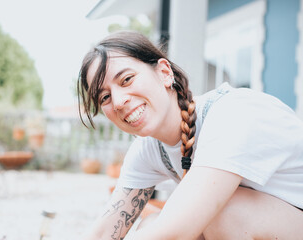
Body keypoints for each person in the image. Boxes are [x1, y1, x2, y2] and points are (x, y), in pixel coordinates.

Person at [77, 31, 303, 240]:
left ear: (164, 73)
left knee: (223, 213)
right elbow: (104, 232)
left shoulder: (231, 113)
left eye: (126, 79)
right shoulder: (148, 149)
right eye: (104, 97)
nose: (118, 101)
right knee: (152, 223)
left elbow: (178, 229)